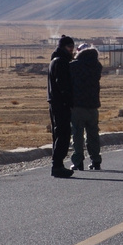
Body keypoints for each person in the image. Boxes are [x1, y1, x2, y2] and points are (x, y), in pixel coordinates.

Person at [69, 43, 103, 171]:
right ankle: (96, 160)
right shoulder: (97, 66)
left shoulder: (73, 66)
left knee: (77, 134)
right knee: (93, 134)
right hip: (93, 106)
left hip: (77, 106)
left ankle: (78, 161)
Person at [47, 35, 76, 178]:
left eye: (72, 47)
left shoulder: (55, 60)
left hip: (55, 102)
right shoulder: (61, 62)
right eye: (69, 47)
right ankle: (57, 165)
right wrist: (68, 100)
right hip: (60, 104)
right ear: (63, 47)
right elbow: (63, 84)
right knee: (63, 134)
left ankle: (57, 165)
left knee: (59, 134)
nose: (72, 50)